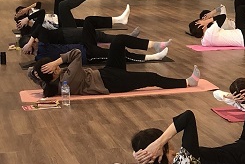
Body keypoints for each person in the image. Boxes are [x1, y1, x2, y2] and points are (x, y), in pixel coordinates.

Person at [28, 35, 200, 98]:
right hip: (110, 83)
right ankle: (187, 82)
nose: (57, 67)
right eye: (55, 69)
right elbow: (77, 54)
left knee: (118, 41)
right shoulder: (67, 80)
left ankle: (154, 45)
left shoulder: (48, 82)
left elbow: (31, 73)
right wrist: (57, 62)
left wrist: (38, 71)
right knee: (151, 77)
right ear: (53, 76)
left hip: (105, 73)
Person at [33, 16, 166, 64]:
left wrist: (30, 43)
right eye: (34, 42)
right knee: (119, 52)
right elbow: (40, 29)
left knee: (89, 21)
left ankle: (119, 20)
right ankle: (153, 57)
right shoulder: (42, 52)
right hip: (87, 55)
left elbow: (40, 27)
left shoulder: (42, 46)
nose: (36, 40)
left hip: (84, 45)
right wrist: (30, 44)